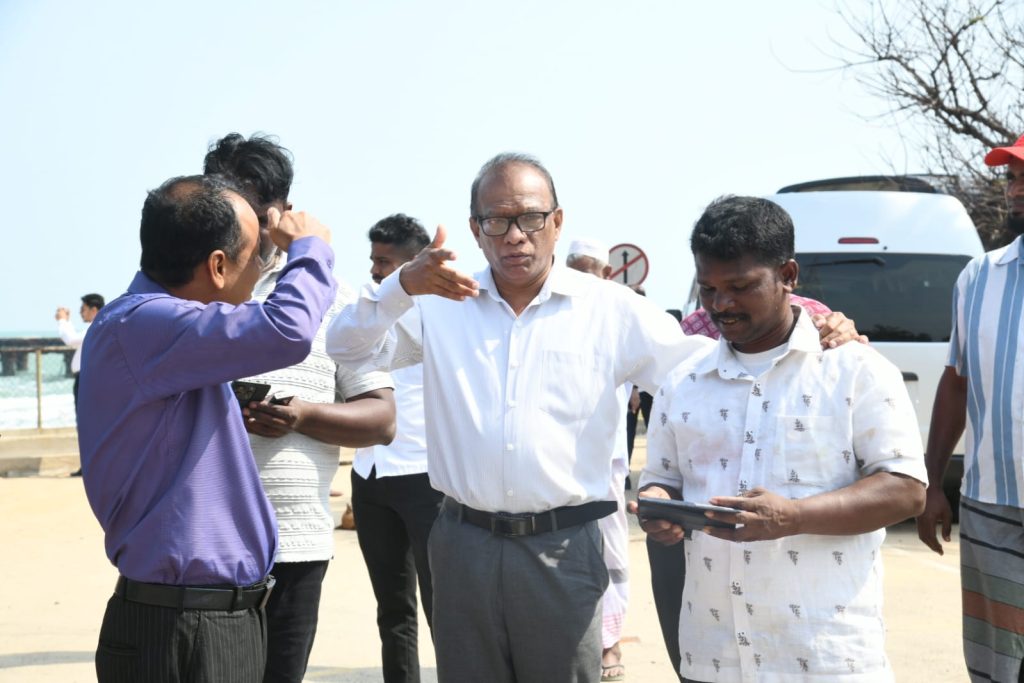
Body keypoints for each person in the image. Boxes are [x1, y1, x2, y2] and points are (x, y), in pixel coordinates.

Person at [326, 153, 860, 683]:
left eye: (531, 218)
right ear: (475, 230)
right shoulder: (442, 304)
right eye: (497, 221)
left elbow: (704, 368)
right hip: (463, 542)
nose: (516, 236)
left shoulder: (609, 308)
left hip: (562, 547)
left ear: (557, 222)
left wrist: (810, 329)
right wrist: (400, 286)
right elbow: (345, 347)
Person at [633, 195, 927, 682]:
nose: (721, 305)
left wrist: (793, 517)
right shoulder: (682, 382)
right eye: (708, 288)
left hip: (826, 659)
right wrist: (659, 506)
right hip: (714, 657)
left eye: (740, 287)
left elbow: (906, 490)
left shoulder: (855, 371)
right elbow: (662, 479)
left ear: (788, 275)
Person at [77, 173, 336, 683]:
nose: (263, 270)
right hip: (182, 626)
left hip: (203, 619)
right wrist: (310, 249)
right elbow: (288, 329)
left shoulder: (161, 331)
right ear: (218, 266)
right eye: (259, 256)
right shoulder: (144, 323)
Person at [204, 133, 397, 683]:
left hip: (296, 544)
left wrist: (302, 416)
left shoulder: (333, 298)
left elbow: (382, 419)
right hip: (204, 545)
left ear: (282, 213)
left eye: (252, 213)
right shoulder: (193, 292)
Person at [916, 134, 1024, 683]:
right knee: (997, 664)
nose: (1015, 190)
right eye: (1012, 178)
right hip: (992, 507)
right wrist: (932, 484)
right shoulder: (979, 277)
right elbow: (955, 384)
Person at [350, 213, 442, 683]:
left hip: (426, 478)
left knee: (442, 607)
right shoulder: (365, 311)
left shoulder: (446, 314)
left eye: (384, 262)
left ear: (414, 263)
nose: (374, 270)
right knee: (392, 610)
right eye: (373, 260)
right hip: (370, 475)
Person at [565, 237, 630, 682]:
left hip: (606, 462)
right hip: (559, 464)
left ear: (606, 274)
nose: (581, 278)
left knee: (612, 553)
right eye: (574, 268)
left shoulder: (620, 313)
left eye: (588, 269)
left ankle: (611, 641)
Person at [55, 292, 105, 410]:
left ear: (93, 310)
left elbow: (71, 339)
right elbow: (76, 339)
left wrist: (62, 320)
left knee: (86, 415)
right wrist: (66, 321)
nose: (80, 312)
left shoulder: (96, 327)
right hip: (89, 378)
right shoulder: (100, 325)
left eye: (83, 309)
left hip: (87, 379)